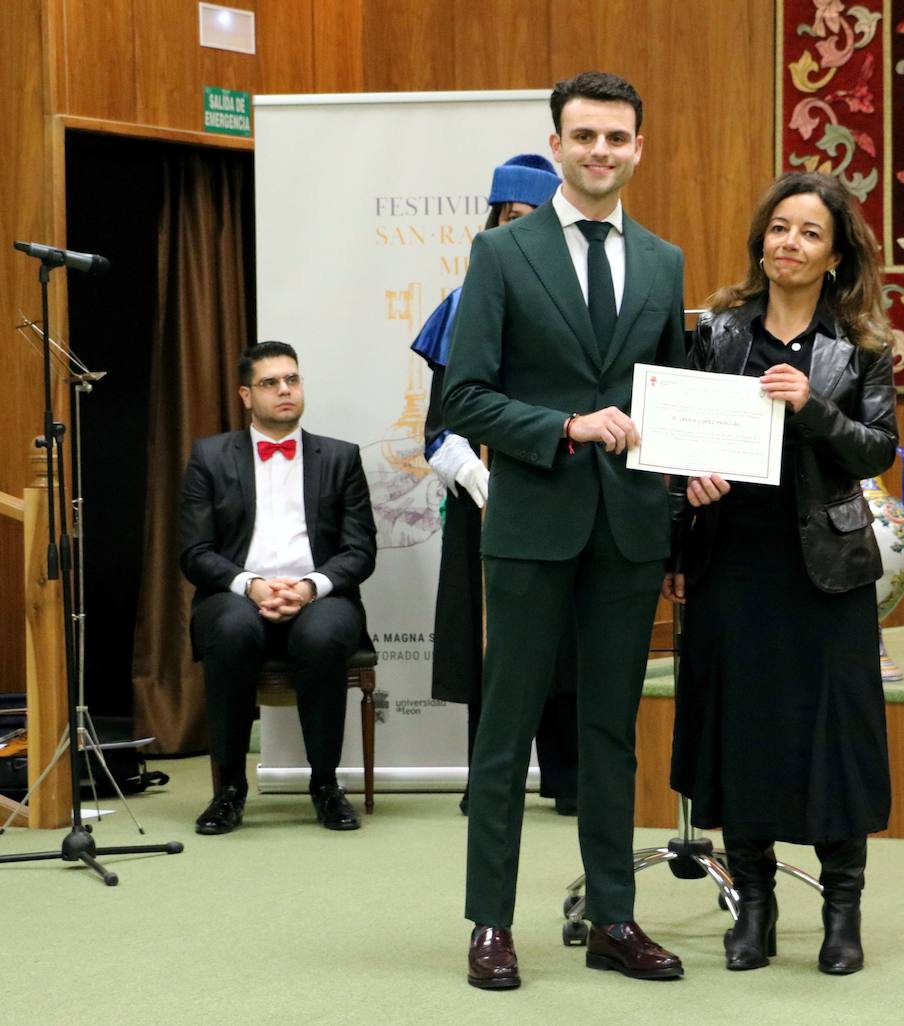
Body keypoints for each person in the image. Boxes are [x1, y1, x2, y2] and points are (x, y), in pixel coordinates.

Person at [443, 72, 687, 990]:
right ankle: (490, 924)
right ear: (556, 146)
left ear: (637, 149)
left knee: (611, 734)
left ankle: (615, 918)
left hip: (629, 531)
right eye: (583, 136)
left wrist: (694, 462)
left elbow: (669, 400)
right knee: (506, 730)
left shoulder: (664, 262)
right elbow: (462, 396)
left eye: (616, 138)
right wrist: (565, 429)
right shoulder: (502, 255)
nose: (599, 152)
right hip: (533, 524)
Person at [666, 171, 897, 975]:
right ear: (760, 241)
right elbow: (677, 439)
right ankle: (754, 907)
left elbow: (876, 450)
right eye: (779, 228)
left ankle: (842, 912)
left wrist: (813, 406)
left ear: (835, 257)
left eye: (808, 233)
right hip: (732, 562)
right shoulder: (716, 334)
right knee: (744, 736)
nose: (789, 243)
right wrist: (685, 482)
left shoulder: (861, 346)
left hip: (825, 571)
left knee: (833, 736)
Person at [410, 154, 578, 818]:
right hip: (487, 504)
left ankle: (569, 777)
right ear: (493, 225)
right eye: (510, 219)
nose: (520, 230)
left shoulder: (579, 308)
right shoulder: (464, 305)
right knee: (493, 646)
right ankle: (491, 780)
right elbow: (438, 427)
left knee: (565, 640)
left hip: (561, 491)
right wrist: (479, 475)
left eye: (534, 220)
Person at [178, 340, 377, 834]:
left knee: (323, 634)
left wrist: (309, 588)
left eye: (292, 379)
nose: (285, 390)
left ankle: (327, 787)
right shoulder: (209, 456)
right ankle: (228, 790)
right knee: (231, 629)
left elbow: (360, 551)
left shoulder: (340, 457)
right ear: (247, 395)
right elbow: (195, 552)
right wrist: (251, 586)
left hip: (320, 597)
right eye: (270, 383)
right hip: (236, 596)